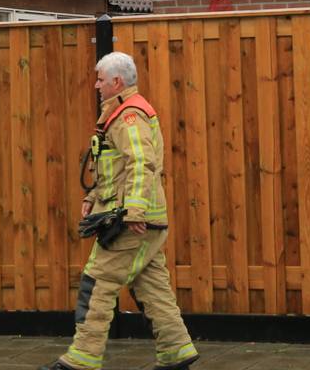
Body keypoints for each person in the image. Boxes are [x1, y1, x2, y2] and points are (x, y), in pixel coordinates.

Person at [41, 51, 198, 370]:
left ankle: (81, 359)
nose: (96, 85)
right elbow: (117, 168)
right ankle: (176, 350)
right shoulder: (122, 112)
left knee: (97, 282)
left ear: (117, 82)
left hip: (131, 222)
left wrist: (135, 211)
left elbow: (141, 163)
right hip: (141, 220)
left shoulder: (129, 116)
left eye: (100, 80)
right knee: (152, 286)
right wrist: (94, 196)